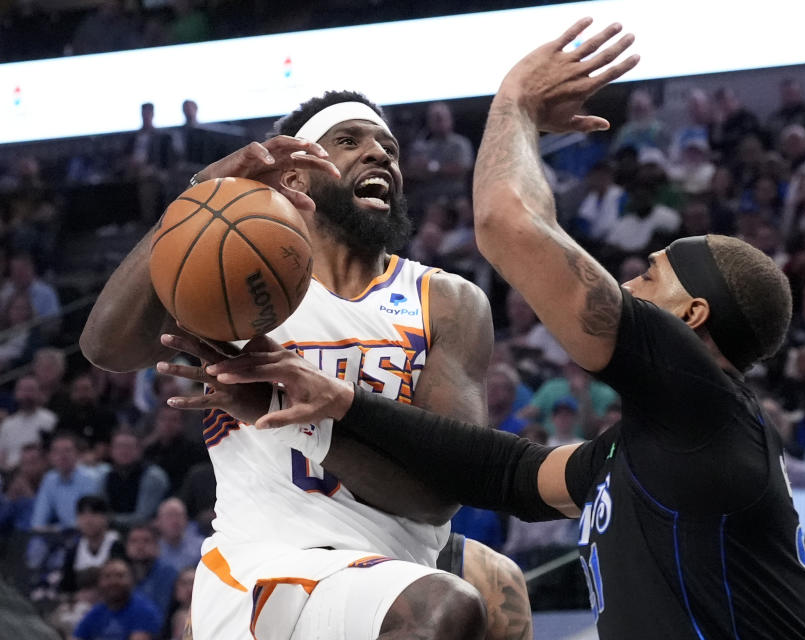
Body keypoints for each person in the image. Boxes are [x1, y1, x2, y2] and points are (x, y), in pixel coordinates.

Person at [197, 20, 805, 639]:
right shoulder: (648, 446)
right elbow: (505, 472)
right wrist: (342, 406)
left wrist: (515, 103)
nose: (628, 284)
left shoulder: (700, 400)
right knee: (492, 582)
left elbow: (507, 222)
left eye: (653, 276)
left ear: (693, 318)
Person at [82, 93, 528, 638]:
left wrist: (297, 415)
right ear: (295, 180)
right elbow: (108, 348)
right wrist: (196, 198)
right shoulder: (237, 282)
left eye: (388, 146)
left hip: (391, 568)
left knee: (493, 595)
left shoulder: (447, 300)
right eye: (348, 141)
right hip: (264, 564)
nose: (379, 154)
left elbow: (440, 495)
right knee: (442, 608)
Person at [71, 558, 162, 640]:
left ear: (131, 580)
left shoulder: (144, 611)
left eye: (120, 576)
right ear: (99, 582)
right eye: (107, 576)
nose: (113, 582)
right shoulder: (96, 612)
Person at [98, 429, 169, 529]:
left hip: (147, 533)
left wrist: (109, 520)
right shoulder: (105, 477)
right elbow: (100, 512)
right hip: (112, 532)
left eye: (128, 447)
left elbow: (142, 518)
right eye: (119, 447)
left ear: (139, 450)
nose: (123, 451)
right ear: (111, 451)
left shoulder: (153, 476)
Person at [31, 433, 100, 530]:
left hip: (87, 534)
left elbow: (87, 520)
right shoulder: (49, 479)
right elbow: (38, 519)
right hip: (62, 536)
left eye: (67, 450)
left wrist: (57, 529)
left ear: (77, 454)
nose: (62, 456)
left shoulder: (90, 478)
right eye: (56, 452)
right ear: (50, 456)